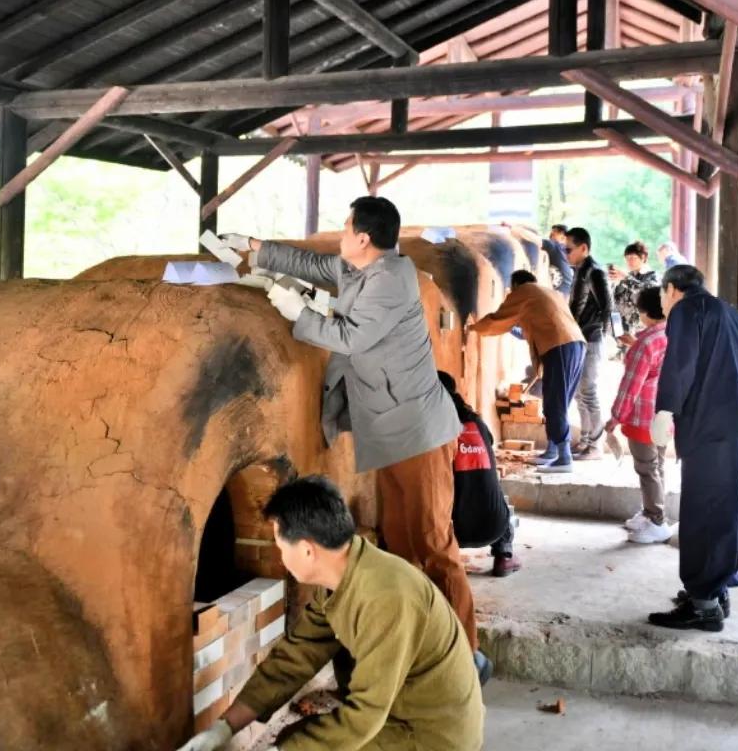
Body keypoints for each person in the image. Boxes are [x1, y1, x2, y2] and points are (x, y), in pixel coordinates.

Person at [223, 196, 484, 679]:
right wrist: (257, 249)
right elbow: (314, 264)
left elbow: (349, 338)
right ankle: (424, 649)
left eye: (346, 230)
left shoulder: (391, 280)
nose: (341, 236)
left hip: (419, 432)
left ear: (364, 238)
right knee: (402, 548)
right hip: (389, 433)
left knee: (432, 545)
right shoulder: (358, 269)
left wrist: (293, 311)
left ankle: (465, 658)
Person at [179, 476, 484, 751]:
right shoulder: (344, 575)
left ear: (307, 550)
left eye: (280, 547)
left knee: (301, 744)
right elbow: (294, 657)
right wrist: (223, 728)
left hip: (433, 735)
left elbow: (365, 713)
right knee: (296, 738)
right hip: (399, 712)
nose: (281, 558)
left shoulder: (387, 597)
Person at [647, 265, 738, 631]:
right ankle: (715, 588)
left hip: (713, 427)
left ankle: (704, 605)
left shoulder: (687, 310)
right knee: (734, 508)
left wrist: (665, 409)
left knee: (706, 509)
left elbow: (681, 363)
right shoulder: (732, 313)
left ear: (671, 290)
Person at [470, 270, 585, 473]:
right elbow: (525, 330)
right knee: (559, 401)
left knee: (554, 402)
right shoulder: (544, 293)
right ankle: (552, 451)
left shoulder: (523, 292)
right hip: (574, 345)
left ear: (516, 285)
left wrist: (473, 328)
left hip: (559, 346)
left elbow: (499, 318)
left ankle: (564, 458)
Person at [606, 286, 671, 544]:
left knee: (646, 468)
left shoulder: (646, 343)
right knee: (658, 465)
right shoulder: (671, 334)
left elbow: (631, 385)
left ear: (644, 312)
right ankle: (652, 512)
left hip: (644, 415)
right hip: (665, 415)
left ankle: (656, 520)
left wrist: (615, 416)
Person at [438, 371, 520, 577]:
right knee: (492, 486)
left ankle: (441, 559)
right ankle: (504, 556)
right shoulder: (477, 422)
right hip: (496, 526)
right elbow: (489, 443)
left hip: (454, 533)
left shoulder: (436, 429)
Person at [564, 227, 612, 460]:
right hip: (580, 337)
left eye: (569, 249)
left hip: (591, 338)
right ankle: (585, 441)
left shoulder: (595, 272)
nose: (566, 254)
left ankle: (596, 446)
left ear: (583, 248)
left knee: (588, 391)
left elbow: (607, 308)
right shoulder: (580, 270)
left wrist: (600, 334)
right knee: (579, 393)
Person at [607, 240, 661, 337]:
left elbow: (646, 291)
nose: (629, 261)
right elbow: (616, 302)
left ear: (643, 257)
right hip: (623, 328)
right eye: (627, 258)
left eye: (633, 258)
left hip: (643, 327)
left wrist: (626, 279)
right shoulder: (626, 277)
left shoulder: (653, 276)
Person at [542, 223, 573, 296]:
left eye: (553, 233)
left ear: (563, 236)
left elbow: (534, 240)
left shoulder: (555, 246)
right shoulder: (568, 252)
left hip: (558, 295)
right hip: (565, 296)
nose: (550, 236)